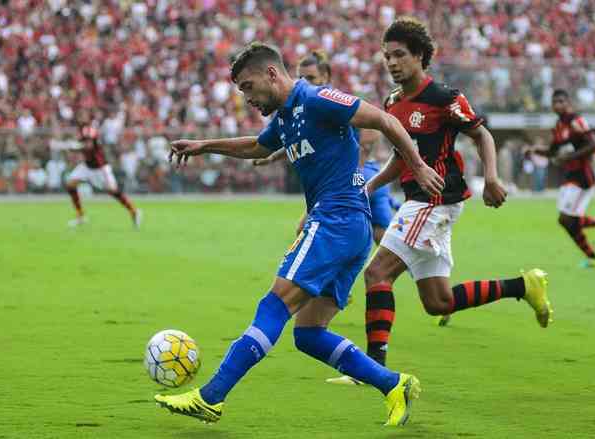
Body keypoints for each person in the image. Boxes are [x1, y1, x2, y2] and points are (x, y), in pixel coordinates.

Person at [155, 41, 445, 426]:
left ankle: (211, 397)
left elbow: (385, 121)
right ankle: (394, 384)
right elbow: (258, 146)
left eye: (248, 86)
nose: (247, 97)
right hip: (347, 227)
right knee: (308, 333)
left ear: (271, 73)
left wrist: (418, 166)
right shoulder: (286, 115)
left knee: (274, 306)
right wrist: (205, 145)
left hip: (336, 220)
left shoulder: (319, 98)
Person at [328, 18, 552, 384]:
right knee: (439, 302)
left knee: (376, 273)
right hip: (423, 202)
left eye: (400, 55)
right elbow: (403, 157)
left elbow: (483, 136)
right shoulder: (392, 102)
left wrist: (492, 177)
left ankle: (371, 370)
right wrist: (369, 187)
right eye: (387, 56)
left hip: (434, 200)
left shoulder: (444, 98)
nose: (392, 63)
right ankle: (524, 285)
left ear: (419, 56)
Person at [253, 50, 399, 243]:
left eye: (311, 77)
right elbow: (301, 142)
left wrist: (356, 169)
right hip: (345, 179)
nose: (306, 81)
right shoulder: (306, 104)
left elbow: (371, 133)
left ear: (325, 76)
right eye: (302, 77)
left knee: (381, 239)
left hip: (357, 175)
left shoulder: (331, 100)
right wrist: (273, 156)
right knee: (376, 238)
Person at [531, 89, 595, 268]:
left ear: (568, 103)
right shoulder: (558, 126)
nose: (558, 105)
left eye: (561, 101)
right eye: (555, 102)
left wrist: (569, 158)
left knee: (566, 219)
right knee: (565, 221)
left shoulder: (576, 121)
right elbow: (552, 152)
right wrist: (533, 150)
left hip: (582, 177)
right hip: (570, 177)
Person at [64, 112, 142, 229]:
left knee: (113, 191)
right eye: (80, 116)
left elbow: (88, 146)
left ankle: (134, 211)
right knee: (70, 184)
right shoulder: (81, 130)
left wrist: (74, 147)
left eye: (83, 116)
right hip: (87, 166)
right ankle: (80, 215)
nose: (80, 118)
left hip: (100, 168)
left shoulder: (89, 130)